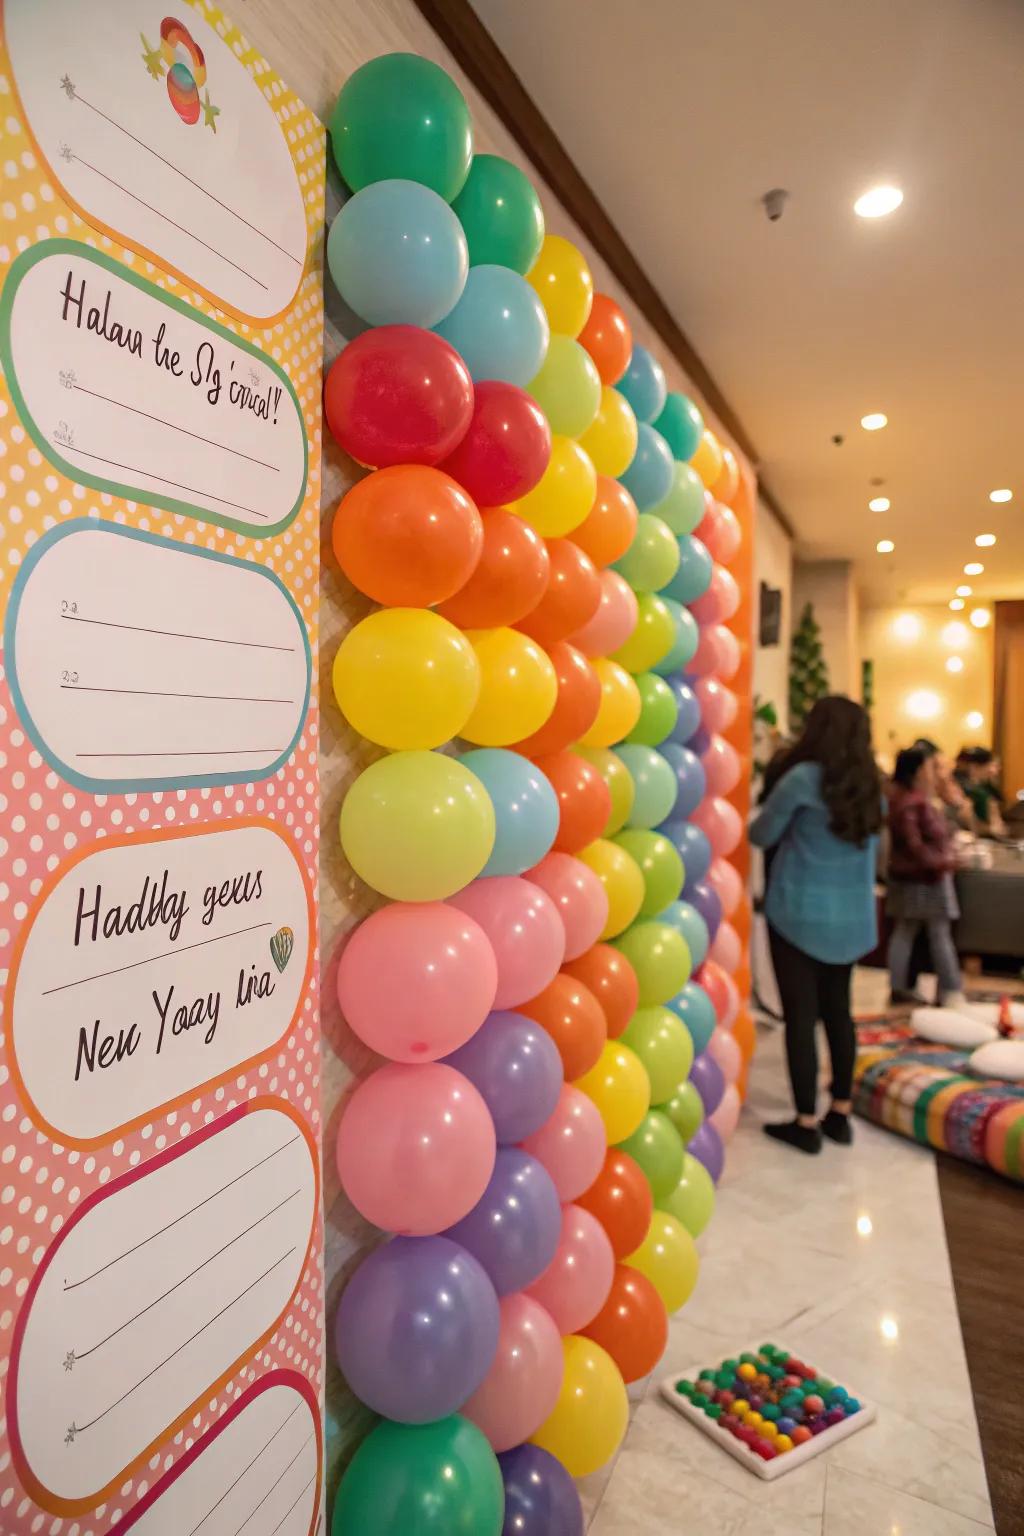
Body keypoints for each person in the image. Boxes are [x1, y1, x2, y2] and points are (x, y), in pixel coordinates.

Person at [749, 696, 882, 1154]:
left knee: (801, 1019)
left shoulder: (803, 780)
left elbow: (760, 833)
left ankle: (805, 1122)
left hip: (798, 914)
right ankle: (840, 1114)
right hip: (852, 920)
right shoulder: (871, 787)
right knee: (839, 1015)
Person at [887, 745, 966, 1008]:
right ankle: (951, 989)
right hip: (925, 879)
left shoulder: (909, 798)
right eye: (932, 767)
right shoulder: (911, 802)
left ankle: (902, 987)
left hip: (916, 877)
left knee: (908, 931)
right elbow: (916, 846)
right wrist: (947, 862)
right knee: (936, 933)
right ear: (919, 770)